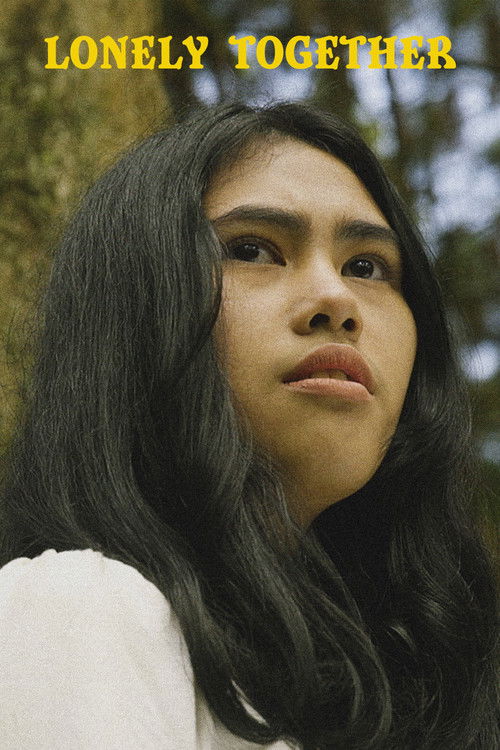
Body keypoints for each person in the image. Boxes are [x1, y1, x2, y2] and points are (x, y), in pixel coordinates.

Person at [0, 102, 497, 749]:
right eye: (253, 250)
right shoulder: (78, 609)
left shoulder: (398, 685)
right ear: (135, 312)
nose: (337, 299)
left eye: (366, 266)